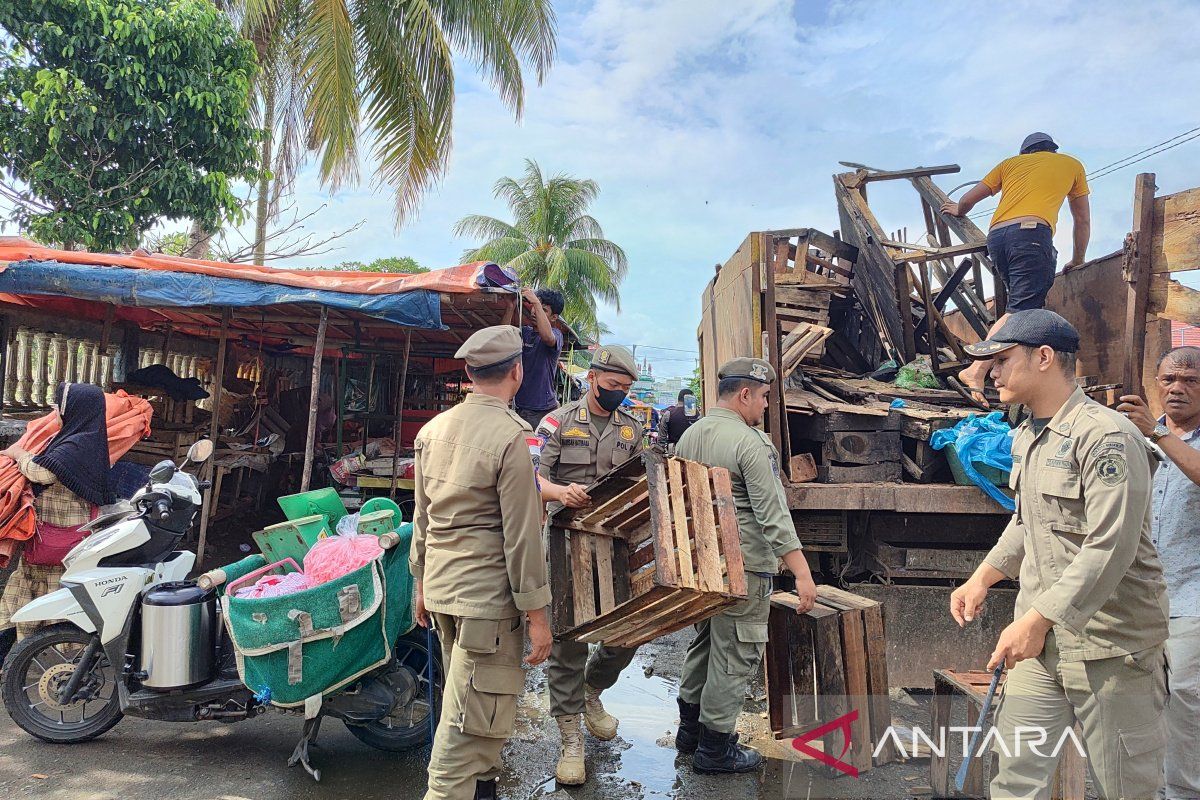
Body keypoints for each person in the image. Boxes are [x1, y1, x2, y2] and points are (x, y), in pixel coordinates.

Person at [949, 310, 1170, 800]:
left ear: (1044, 358)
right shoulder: (1029, 432)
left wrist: (1037, 620)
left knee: (1125, 787)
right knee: (1014, 780)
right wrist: (983, 577)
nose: (994, 373)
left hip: (1112, 647)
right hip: (1042, 649)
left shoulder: (1106, 437)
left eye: (1002, 360)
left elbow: (1110, 546)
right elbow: (1028, 520)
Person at [410, 326, 553, 800]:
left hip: (445, 592)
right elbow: (522, 535)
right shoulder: (514, 437)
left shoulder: (433, 431)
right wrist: (538, 615)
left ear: (469, 373)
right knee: (464, 739)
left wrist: (420, 587)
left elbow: (422, 518)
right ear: (517, 372)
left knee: (472, 712)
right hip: (487, 604)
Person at [672, 358, 817, 774]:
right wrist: (803, 574)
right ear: (745, 394)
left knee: (705, 644)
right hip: (745, 567)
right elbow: (773, 516)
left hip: (703, 565)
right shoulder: (751, 443)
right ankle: (715, 750)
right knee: (735, 653)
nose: (766, 407)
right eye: (766, 397)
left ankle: (690, 733)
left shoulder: (690, 436)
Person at [534, 344, 644, 786]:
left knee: (626, 634)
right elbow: (528, 475)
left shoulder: (633, 430)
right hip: (565, 542)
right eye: (613, 386)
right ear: (593, 378)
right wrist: (559, 493)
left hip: (616, 545)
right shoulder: (557, 422)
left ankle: (592, 690)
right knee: (568, 639)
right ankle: (569, 741)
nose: (619, 393)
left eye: (625, 389)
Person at [941, 133, 1091, 403]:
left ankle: (1000, 369)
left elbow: (970, 198)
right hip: (1032, 235)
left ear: (1025, 153)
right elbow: (1081, 219)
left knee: (1019, 307)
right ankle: (977, 369)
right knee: (1020, 310)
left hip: (997, 238)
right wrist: (1078, 258)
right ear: (1052, 151)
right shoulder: (1072, 165)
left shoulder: (1009, 164)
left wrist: (959, 210)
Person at [1115, 346, 1200, 800]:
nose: (1177, 388)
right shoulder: (1133, 440)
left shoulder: (1156, 437)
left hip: (1193, 596)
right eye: (1168, 380)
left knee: (1186, 695)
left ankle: (1183, 793)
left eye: (1189, 381)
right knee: (1137, 699)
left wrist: (1158, 435)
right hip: (1140, 597)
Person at [0, 384, 114, 657]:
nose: (54, 410)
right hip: (55, 534)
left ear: (74, 409)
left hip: (58, 536)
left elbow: (42, 473)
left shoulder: (78, 444)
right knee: (27, 591)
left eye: (59, 405)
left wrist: (18, 454)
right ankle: (22, 653)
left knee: (46, 596)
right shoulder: (83, 437)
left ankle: (51, 659)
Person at [514, 287, 565, 432]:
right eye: (534, 307)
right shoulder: (525, 332)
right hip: (520, 406)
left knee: (537, 452)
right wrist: (511, 306)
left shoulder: (556, 334)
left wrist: (535, 302)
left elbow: (547, 337)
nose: (534, 312)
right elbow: (504, 333)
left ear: (554, 317)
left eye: (543, 310)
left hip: (542, 410)